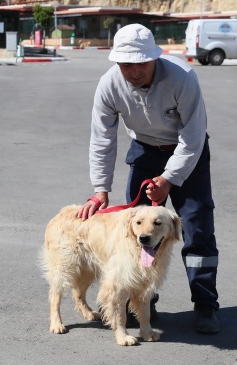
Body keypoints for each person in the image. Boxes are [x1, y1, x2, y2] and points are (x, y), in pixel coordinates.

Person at [77, 23, 220, 334]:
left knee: (196, 227)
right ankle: (142, 304)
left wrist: (169, 178)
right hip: (144, 148)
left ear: (155, 58)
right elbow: (102, 139)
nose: (133, 71)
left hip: (186, 153)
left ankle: (205, 304)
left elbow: (193, 137)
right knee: (137, 230)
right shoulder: (109, 84)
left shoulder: (182, 78)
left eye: (140, 63)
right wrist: (100, 190)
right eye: (126, 64)